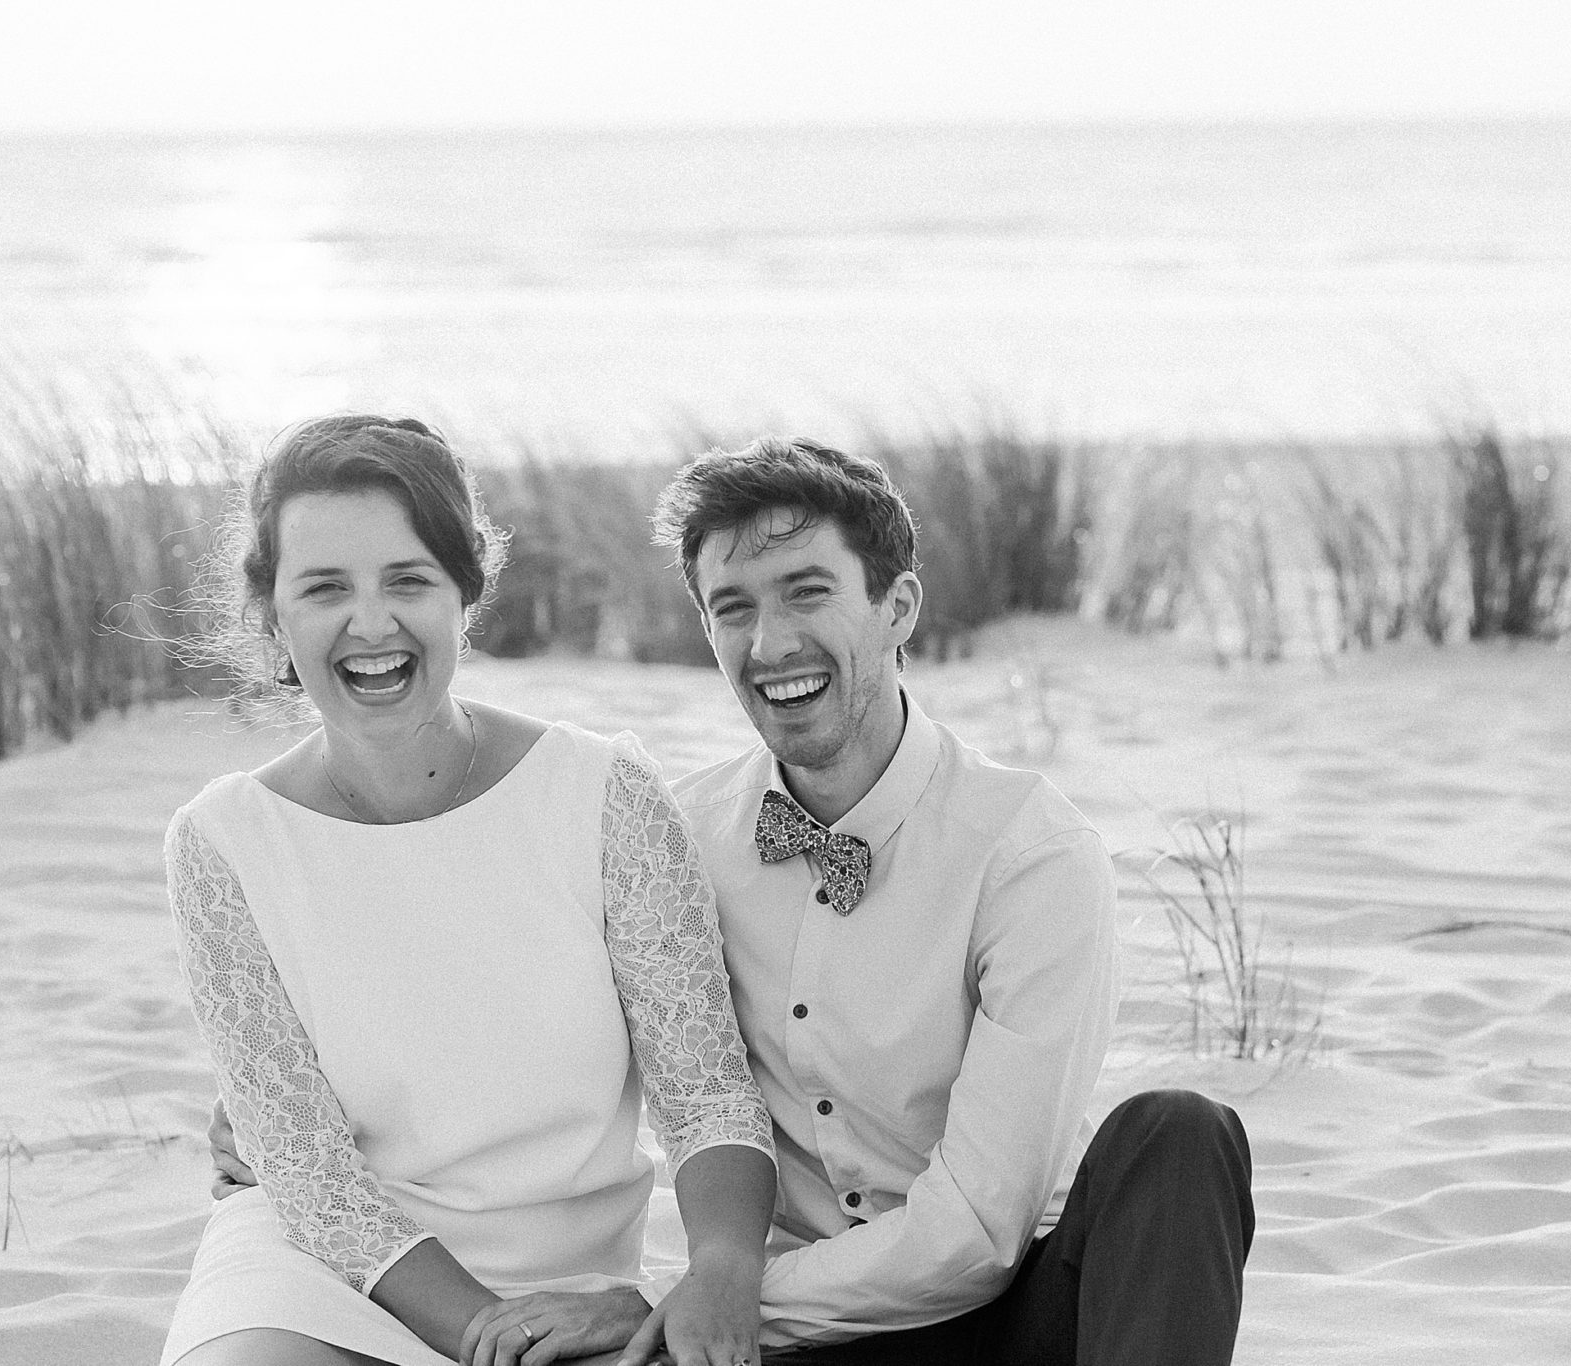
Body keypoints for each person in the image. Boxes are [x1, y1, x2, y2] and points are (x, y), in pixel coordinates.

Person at [214, 435, 1255, 1364]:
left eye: (806, 592)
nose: (770, 643)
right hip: (784, 1349)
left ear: (897, 607)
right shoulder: (676, 834)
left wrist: (697, 1298)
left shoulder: (1028, 854)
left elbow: (975, 1234)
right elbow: (504, 994)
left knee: (1178, 1134)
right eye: (732, 608)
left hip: (992, 1316)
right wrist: (265, 1110)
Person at [162, 414, 775, 1366]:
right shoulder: (223, 842)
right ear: (272, 614)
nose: (371, 624)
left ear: (466, 593)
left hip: (569, 1288)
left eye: (408, 580)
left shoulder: (601, 794)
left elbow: (705, 1094)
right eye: (325, 588)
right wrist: (484, 1336)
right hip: (325, 1270)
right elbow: (304, 1168)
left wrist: (719, 1271)